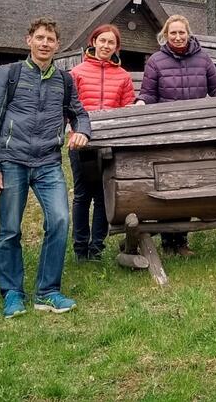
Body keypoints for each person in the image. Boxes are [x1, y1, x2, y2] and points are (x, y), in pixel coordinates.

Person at [0, 17, 91, 318]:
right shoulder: (10, 74)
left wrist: (82, 131)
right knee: (9, 230)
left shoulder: (64, 80)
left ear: (57, 45)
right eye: (40, 38)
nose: (45, 43)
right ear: (28, 40)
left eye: (50, 39)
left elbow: (79, 114)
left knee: (60, 221)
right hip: (12, 160)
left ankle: (48, 291)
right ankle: (12, 293)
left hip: (48, 163)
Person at [136, 14, 216, 255]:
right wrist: (140, 103)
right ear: (166, 35)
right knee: (168, 185)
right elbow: (148, 94)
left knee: (189, 184)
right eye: (173, 33)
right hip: (168, 132)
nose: (178, 37)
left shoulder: (203, 58)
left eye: (181, 32)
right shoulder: (155, 61)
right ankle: (168, 242)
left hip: (195, 131)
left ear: (188, 34)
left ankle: (181, 241)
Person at [68, 24, 135, 262]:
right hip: (81, 143)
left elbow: (127, 109)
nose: (106, 46)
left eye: (111, 43)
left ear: (116, 47)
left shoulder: (123, 76)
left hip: (110, 144)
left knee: (102, 195)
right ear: (93, 42)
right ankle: (80, 248)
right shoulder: (77, 73)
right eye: (102, 41)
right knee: (82, 195)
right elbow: (68, 107)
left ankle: (96, 247)